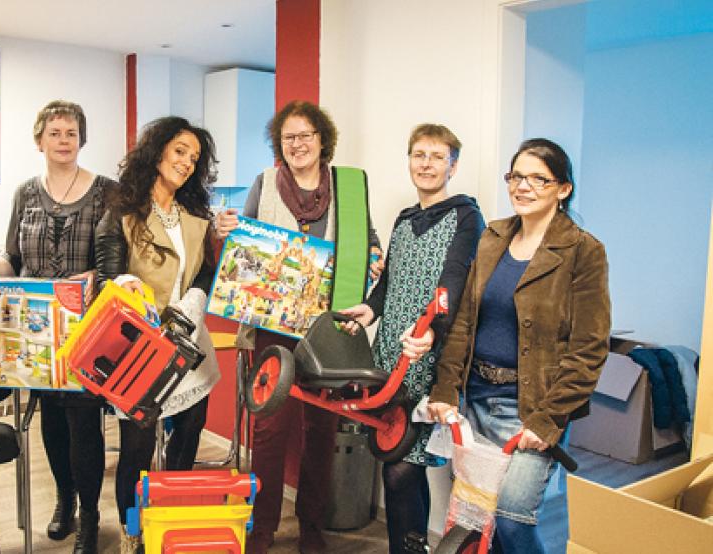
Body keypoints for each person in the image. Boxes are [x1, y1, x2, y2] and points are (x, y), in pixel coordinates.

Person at [214, 100, 383, 554]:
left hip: (328, 330)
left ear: (322, 139)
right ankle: (263, 527)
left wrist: (373, 259)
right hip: (273, 330)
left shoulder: (347, 187)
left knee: (322, 429)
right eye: (289, 137)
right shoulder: (264, 183)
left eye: (306, 134)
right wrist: (225, 228)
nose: (298, 144)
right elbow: (238, 242)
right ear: (279, 144)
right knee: (269, 428)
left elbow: (368, 242)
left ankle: (312, 525)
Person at [427, 139, 610, 554]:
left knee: (511, 517)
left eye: (538, 179)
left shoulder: (584, 252)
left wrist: (548, 421)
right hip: (476, 398)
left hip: (532, 407)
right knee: (478, 517)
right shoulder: (493, 238)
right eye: (516, 176)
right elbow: (464, 323)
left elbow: (589, 349)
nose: (522, 187)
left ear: (563, 189)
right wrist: (444, 389)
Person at [0, 100, 113, 554]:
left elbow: (114, 263)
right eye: (54, 133)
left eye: (71, 132)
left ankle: (90, 515)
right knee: (51, 418)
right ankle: (64, 500)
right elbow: (14, 259)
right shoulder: (25, 193)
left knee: (84, 421)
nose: (63, 140)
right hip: (36, 330)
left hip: (86, 326)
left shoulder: (107, 191)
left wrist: (92, 276)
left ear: (81, 139)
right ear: (40, 140)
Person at [338, 124, 484, 554]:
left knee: (406, 466)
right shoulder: (403, 219)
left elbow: (454, 282)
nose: (426, 163)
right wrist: (369, 309)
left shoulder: (465, 216)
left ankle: (417, 547)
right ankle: (408, 547)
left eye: (437, 156)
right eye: (419, 154)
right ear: (409, 161)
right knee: (393, 461)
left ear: (453, 166)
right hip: (389, 354)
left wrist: (432, 333)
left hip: (428, 355)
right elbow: (390, 281)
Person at [95, 116, 221, 554]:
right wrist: (127, 290)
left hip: (189, 347)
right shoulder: (122, 210)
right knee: (136, 449)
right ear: (158, 151)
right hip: (140, 350)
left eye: (194, 158)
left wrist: (188, 310)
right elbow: (106, 278)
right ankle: (133, 534)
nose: (186, 163)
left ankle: (171, 524)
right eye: (180, 151)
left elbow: (205, 272)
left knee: (187, 440)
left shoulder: (196, 216)